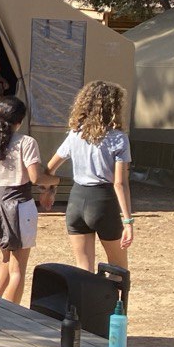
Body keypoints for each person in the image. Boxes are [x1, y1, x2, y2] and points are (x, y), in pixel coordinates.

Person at [0, 96, 60, 303]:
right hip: (18, 205)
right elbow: (36, 178)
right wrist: (56, 179)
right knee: (18, 270)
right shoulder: (26, 143)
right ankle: (10, 317)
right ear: (19, 121)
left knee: (6, 259)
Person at [43, 80, 134, 271]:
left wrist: (50, 189)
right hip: (103, 201)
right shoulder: (118, 138)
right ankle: (117, 302)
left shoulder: (75, 134)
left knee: (83, 268)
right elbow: (119, 183)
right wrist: (128, 221)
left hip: (76, 200)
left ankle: (84, 301)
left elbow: (50, 168)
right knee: (118, 268)